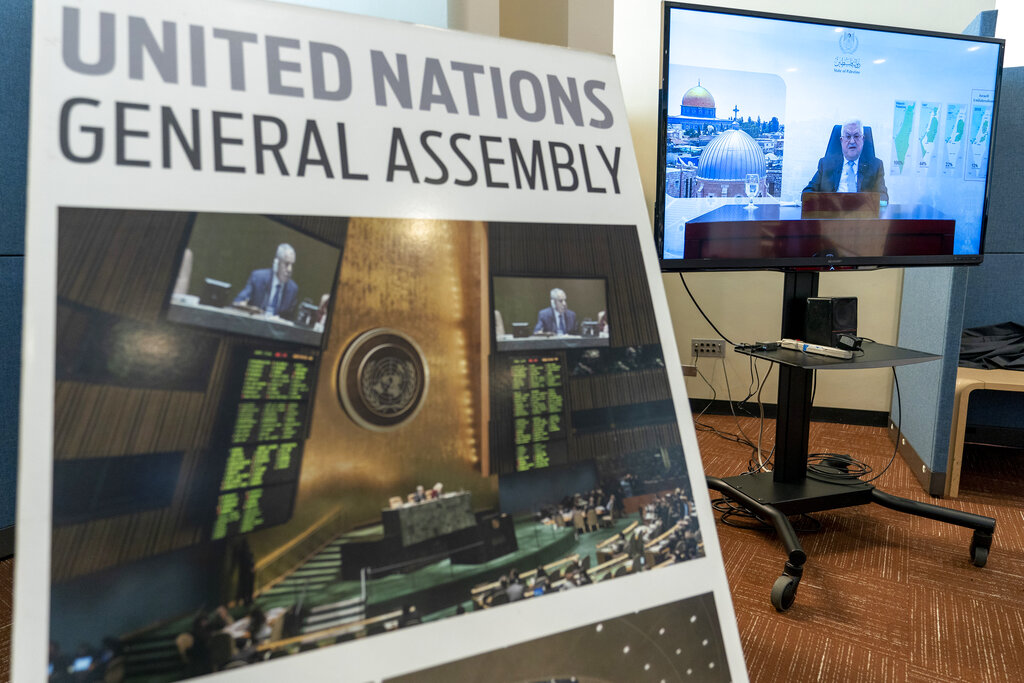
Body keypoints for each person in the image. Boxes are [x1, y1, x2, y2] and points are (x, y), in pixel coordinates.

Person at [803, 119, 888, 202]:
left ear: (863, 139)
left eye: (856, 136)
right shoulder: (826, 164)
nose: (852, 141)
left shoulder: (876, 166)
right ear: (841, 140)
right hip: (831, 212)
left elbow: (884, 198)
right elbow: (807, 193)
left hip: (862, 214)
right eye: (847, 136)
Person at [233, 243, 299, 319]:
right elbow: (239, 301)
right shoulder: (258, 278)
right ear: (276, 263)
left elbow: (290, 319)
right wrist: (244, 306)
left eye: (292, 265)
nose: (290, 269)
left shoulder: (292, 289)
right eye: (286, 264)